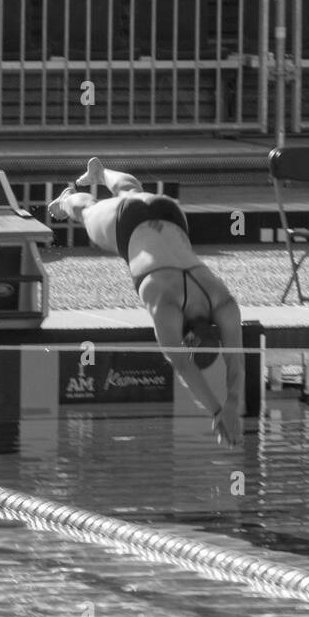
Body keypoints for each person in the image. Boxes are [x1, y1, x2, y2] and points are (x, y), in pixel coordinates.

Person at [48, 159, 243, 447]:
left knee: (130, 189)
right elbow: (183, 365)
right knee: (86, 209)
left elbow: (236, 359)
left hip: (168, 211)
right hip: (125, 224)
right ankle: (64, 199)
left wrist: (232, 405)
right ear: (186, 337)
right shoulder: (164, 305)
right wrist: (218, 411)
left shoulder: (223, 303)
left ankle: (100, 173)